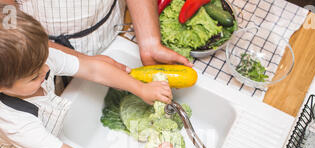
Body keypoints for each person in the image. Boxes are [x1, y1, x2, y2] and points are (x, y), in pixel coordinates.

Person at [0, 6, 175, 148]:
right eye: (34, 77)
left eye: (45, 60)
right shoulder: (16, 123)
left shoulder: (36, 60)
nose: (46, 69)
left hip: (39, 147)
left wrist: (141, 88)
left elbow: (92, 69)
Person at [1, 0, 193, 69]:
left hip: (111, 30)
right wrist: (83, 63)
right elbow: (7, 23)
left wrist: (150, 41)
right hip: (39, 54)